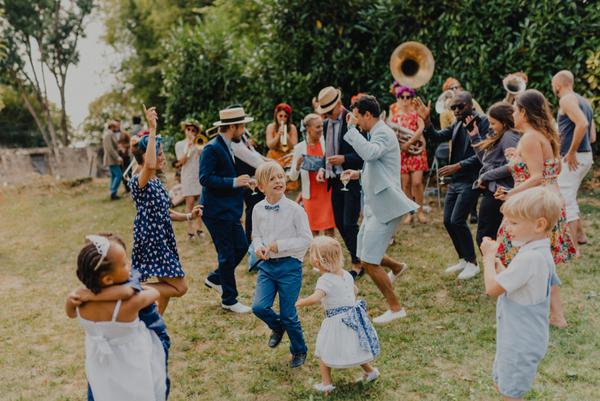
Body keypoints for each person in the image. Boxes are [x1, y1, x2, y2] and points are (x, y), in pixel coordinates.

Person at [494, 89, 576, 328]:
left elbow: (537, 176)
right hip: (550, 199)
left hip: (532, 205)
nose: (513, 114)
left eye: (515, 110)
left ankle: (520, 309)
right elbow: (551, 171)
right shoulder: (544, 135)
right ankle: (555, 314)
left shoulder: (529, 138)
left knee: (506, 250)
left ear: (523, 112)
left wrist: (510, 194)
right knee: (543, 259)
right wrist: (515, 158)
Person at [341, 95, 418, 324]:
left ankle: (396, 308)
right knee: (364, 251)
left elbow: (371, 154)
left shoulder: (382, 132)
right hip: (375, 205)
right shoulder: (375, 133)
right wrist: (359, 174)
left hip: (387, 207)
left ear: (367, 114)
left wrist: (351, 130)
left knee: (370, 262)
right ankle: (397, 266)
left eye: (357, 116)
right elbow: (379, 165)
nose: (356, 121)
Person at [480, 187, 562, 401]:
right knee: (506, 387)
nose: (507, 228)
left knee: (511, 394)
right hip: (523, 337)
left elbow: (492, 289)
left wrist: (488, 259)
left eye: (514, 223)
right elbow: (521, 284)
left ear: (539, 224)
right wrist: (501, 268)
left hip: (519, 343)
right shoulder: (538, 252)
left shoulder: (529, 258)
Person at [68, 233, 172, 401]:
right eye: (124, 264)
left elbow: (70, 313)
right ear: (108, 279)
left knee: (105, 390)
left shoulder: (78, 302)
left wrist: (91, 295)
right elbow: (154, 293)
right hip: (132, 359)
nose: (129, 264)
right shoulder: (128, 305)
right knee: (139, 390)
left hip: (99, 361)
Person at [129, 106, 197, 314]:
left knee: (165, 289)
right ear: (146, 156)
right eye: (159, 153)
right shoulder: (139, 181)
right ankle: (132, 289)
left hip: (163, 238)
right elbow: (149, 164)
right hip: (152, 239)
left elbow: (165, 212)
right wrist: (151, 129)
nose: (162, 157)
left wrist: (188, 216)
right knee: (180, 287)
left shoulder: (157, 183)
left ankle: (154, 327)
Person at [415, 91, 489, 280]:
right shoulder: (457, 123)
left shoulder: (483, 122)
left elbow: (483, 155)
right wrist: (427, 120)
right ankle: (463, 259)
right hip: (456, 181)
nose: (456, 110)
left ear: (471, 105)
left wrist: (458, 166)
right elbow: (437, 136)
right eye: (453, 107)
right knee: (448, 221)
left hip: (471, 179)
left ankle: (473, 263)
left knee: (457, 220)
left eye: (460, 106)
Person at [296, 236, 380, 394]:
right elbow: (355, 290)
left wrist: (300, 302)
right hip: (352, 318)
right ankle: (370, 371)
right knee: (356, 347)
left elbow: (315, 298)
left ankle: (326, 384)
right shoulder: (346, 275)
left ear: (318, 261)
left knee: (323, 350)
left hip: (336, 321)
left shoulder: (325, 280)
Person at [251, 161, 312, 368]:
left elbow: (306, 240)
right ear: (261, 187)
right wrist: (258, 247)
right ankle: (278, 327)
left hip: (290, 267)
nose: (278, 181)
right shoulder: (258, 209)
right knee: (259, 306)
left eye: (280, 176)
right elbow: (256, 234)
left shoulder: (295, 210)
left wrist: (281, 246)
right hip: (267, 267)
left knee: (289, 313)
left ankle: (299, 349)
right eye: (272, 179)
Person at [200, 106, 254, 314]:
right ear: (233, 126)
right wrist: (233, 182)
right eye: (242, 126)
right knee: (226, 253)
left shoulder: (231, 145)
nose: (244, 130)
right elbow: (205, 178)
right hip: (216, 211)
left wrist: (246, 181)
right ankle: (229, 299)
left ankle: (215, 278)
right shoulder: (211, 148)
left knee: (241, 247)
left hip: (230, 209)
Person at [315, 86, 364, 278]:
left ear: (338, 104)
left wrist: (344, 159)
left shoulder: (353, 120)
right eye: (324, 112)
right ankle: (360, 255)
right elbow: (327, 153)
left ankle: (358, 261)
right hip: (334, 180)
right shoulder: (327, 125)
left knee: (350, 222)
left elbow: (362, 154)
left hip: (351, 177)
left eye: (329, 111)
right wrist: (322, 168)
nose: (326, 115)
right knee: (339, 223)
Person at [467, 102, 520, 246]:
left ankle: (495, 267)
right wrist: (475, 138)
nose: (490, 126)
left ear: (503, 122)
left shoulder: (509, 137)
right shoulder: (502, 135)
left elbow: (513, 166)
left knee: (486, 238)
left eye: (493, 123)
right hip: (494, 191)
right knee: (487, 237)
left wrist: (485, 176)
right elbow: (488, 162)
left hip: (500, 193)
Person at [552, 70, 594, 251]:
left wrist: (571, 152)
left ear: (558, 84)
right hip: (586, 155)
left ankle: (572, 249)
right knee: (570, 197)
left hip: (574, 158)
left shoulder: (566, 100)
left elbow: (583, 124)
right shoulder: (584, 101)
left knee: (564, 199)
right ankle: (581, 236)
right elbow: (591, 136)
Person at [289, 113, 335, 236]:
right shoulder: (299, 148)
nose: (321, 129)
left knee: (329, 229)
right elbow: (292, 177)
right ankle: (316, 255)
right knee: (312, 231)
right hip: (310, 195)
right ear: (308, 128)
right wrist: (298, 165)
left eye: (322, 126)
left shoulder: (326, 143)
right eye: (318, 127)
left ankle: (330, 254)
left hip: (327, 193)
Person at [388, 83, 428, 224]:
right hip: (402, 152)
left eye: (408, 97)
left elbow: (421, 129)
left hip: (415, 150)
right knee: (405, 184)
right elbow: (391, 132)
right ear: (398, 98)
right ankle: (409, 213)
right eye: (402, 97)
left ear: (411, 97)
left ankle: (420, 211)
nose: (405, 99)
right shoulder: (393, 112)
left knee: (417, 183)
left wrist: (409, 143)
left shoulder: (416, 110)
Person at [174, 119, 204, 240]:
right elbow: (181, 162)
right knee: (190, 203)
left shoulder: (199, 142)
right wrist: (189, 148)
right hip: (187, 176)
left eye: (193, 130)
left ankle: (199, 228)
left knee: (200, 204)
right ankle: (190, 230)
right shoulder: (179, 144)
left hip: (198, 175)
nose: (190, 132)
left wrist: (197, 146)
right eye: (188, 129)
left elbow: (203, 156)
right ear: (185, 130)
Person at [265, 103, 299, 191]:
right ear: (276, 115)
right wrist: (278, 136)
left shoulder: (292, 127)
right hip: (274, 157)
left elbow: (294, 147)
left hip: (288, 157)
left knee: (288, 185)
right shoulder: (271, 127)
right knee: (274, 185)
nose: (283, 118)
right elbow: (269, 145)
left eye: (285, 116)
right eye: (280, 116)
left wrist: (287, 138)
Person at [103, 119, 123, 200]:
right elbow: (110, 148)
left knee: (113, 176)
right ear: (112, 127)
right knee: (119, 175)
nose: (117, 128)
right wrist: (117, 157)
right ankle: (113, 192)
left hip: (112, 159)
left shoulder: (110, 134)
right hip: (111, 159)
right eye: (115, 126)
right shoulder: (108, 134)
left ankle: (113, 193)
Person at [115, 120, 132, 193]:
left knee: (129, 171)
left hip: (126, 156)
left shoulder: (125, 134)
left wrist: (124, 147)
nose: (117, 126)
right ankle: (127, 188)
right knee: (121, 173)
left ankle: (132, 186)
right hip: (118, 157)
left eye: (118, 124)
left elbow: (130, 143)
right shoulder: (111, 135)